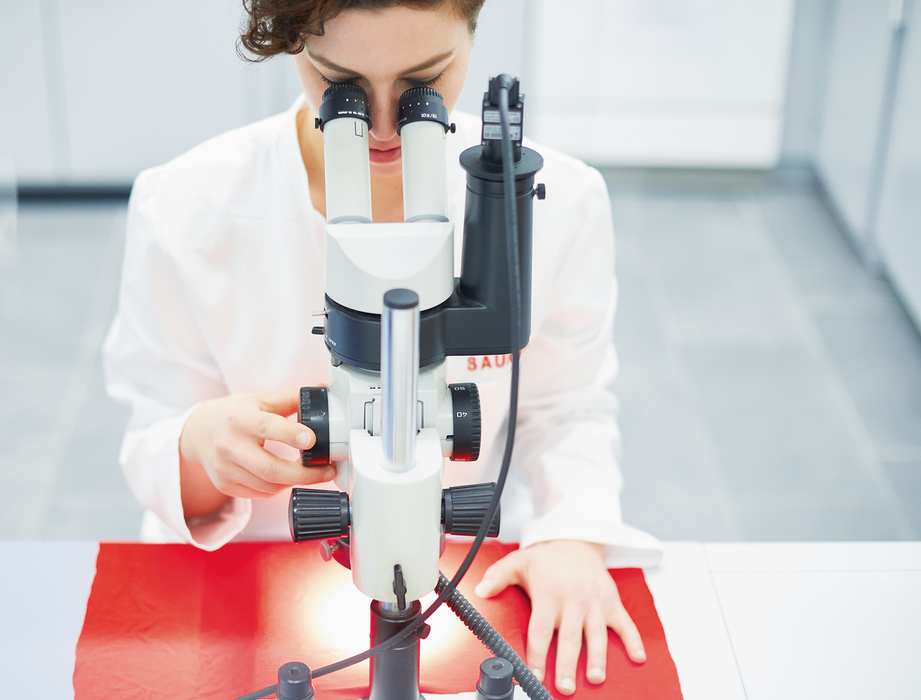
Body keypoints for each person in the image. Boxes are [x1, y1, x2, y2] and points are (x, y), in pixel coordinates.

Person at [101, 0, 660, 693]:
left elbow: (566, 406)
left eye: (425, 80)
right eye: (343, 86)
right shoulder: (186, 206)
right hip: (248, 578)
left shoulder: (558, 204)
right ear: (291, 43)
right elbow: (153, 434)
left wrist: (570, 530)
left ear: (474, 35)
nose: (386, 124)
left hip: (460, 566)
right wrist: (201, 445)